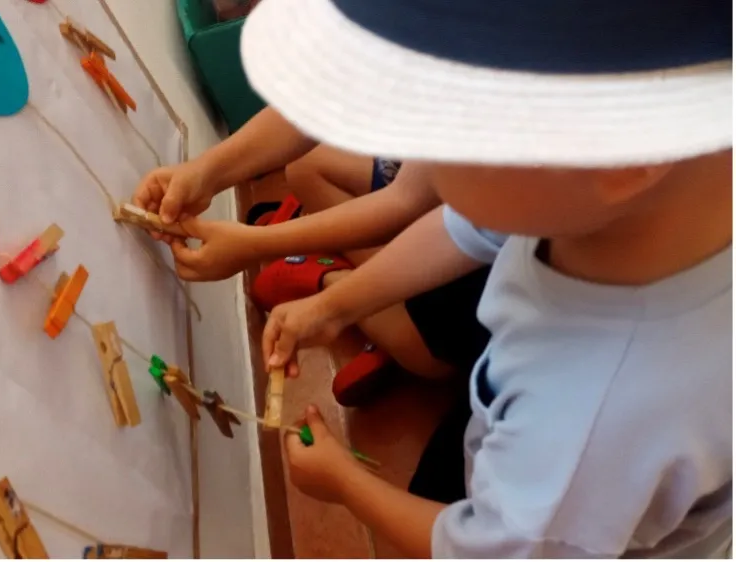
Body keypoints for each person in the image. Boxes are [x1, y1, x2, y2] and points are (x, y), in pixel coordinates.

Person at [235, 0, 732, 558]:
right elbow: (470, 226)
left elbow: (488, 552)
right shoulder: (596, 198)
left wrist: (345, 483)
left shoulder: (586, 426)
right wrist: (335, 307)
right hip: (513, 432)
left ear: (619, 152)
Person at [134, 106, 495, 407]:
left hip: (478, 240)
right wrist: (206, 172)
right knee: (308, 168)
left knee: (428, 359)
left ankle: (329, 275)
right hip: (439, 195)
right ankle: (346, 275)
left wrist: (260, 245)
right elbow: (321, 98)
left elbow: (410, 207)